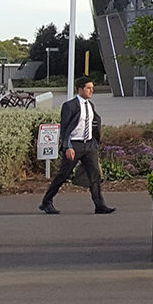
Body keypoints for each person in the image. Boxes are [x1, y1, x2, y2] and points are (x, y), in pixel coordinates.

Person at [40, 79, 113, 215]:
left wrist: (95, 143)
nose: (92, 91)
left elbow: (94, 124)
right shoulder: (70, 106)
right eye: (88, 88)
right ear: (80, 89)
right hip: (74, 145)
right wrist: (68, 147)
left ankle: (100, 205)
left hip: (89, 145)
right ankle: (46, 202)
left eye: (92, 88)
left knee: (95, 175)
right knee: (63, 175)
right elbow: (65, 128)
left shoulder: (90, 105)